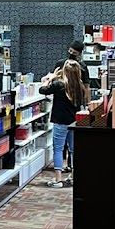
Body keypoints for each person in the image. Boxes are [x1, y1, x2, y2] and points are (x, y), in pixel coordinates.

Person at [39, 60, 85, 189]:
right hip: (75, 121)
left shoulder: (59, 85)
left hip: (60, 121)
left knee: (58, 149)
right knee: (74, 150)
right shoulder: (80, 86)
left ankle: (58, 179)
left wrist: (50, 79)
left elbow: (42, 90)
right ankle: (75, 177)